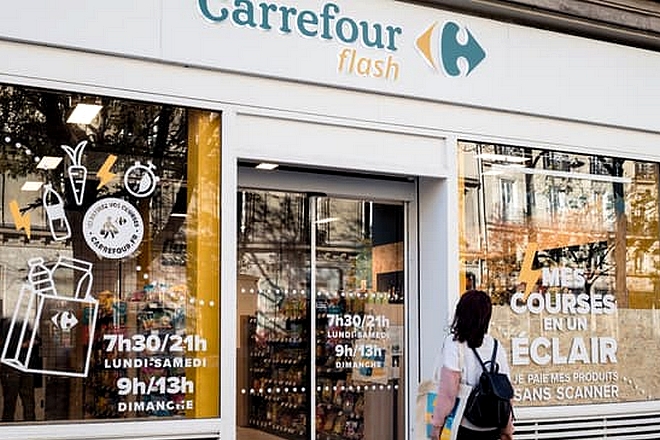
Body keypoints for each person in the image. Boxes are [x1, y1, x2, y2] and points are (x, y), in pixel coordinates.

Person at [431, 290, 514, 440]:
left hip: (465, 425)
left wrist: (437, 425)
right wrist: (507, 427)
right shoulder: (495, 346)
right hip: (493, 427)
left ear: (461, 313)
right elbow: (506, 391)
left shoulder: (454, 344)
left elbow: (449, 391)